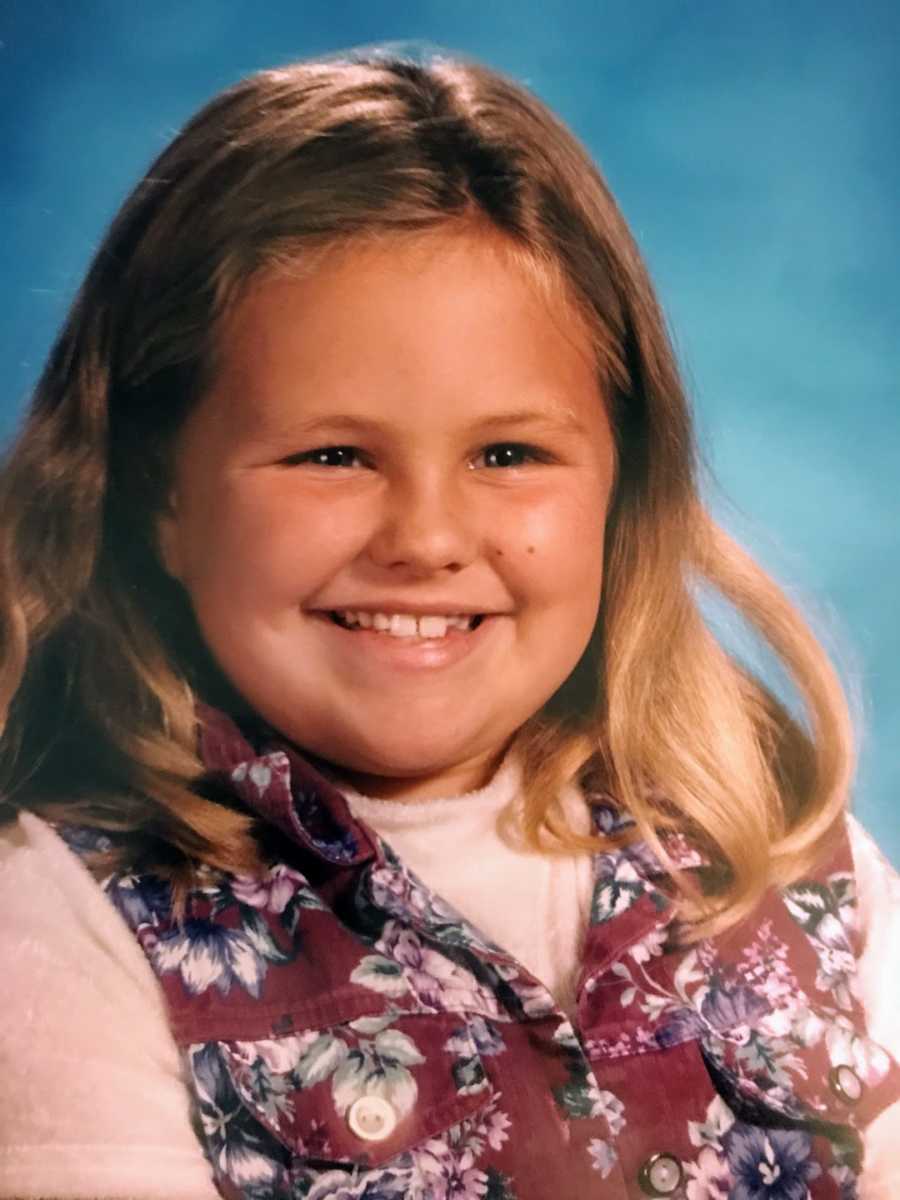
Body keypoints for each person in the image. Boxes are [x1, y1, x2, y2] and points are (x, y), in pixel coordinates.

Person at [0, 47, 897, 1200]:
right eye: (333, 456)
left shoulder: (773, 855)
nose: (426, 538)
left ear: (622, 488)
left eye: (508, 454)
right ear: (160, 496)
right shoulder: (60, 925)